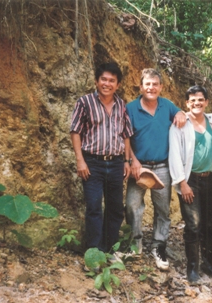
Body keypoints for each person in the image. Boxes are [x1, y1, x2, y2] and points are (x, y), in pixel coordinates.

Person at [70, 62, 133, 257]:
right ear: (97, 81)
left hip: (115, 163)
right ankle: (94, 252)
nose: (107, 83)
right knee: (94, 207)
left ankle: (110, 249)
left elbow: (126, 134)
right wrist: (80, 160)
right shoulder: (85, 102)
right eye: (103, 79)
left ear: (118, 84)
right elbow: (75, 131)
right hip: (93, 163)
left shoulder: (121, 105)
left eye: (111, 80)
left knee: (115, 208)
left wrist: (126, 161)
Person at [125, 68, 186, 271]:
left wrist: (180, 113)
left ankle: (159, 246)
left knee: (163, 210)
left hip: (162, 166)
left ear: (160, 87)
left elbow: (180, 112)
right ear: (141, 87)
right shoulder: (131, 108)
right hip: (139, 166)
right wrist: (132, 161)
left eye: (155, 84)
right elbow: (125, 138)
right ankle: (135, 244)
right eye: (147, 84)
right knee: (132, 206)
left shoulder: (166, 105)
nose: (151, 88)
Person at [168, 85, 212, 283]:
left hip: (211, 180)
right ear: (187, 103)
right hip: (189, 179)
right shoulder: (180, 124)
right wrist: (182, 183)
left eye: (200, 100)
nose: (197, 103)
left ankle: (208, 264)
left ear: (206, 102)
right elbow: (174, 154)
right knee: (193, 224)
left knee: (209, 224)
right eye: (192, 100)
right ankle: (192, 268)